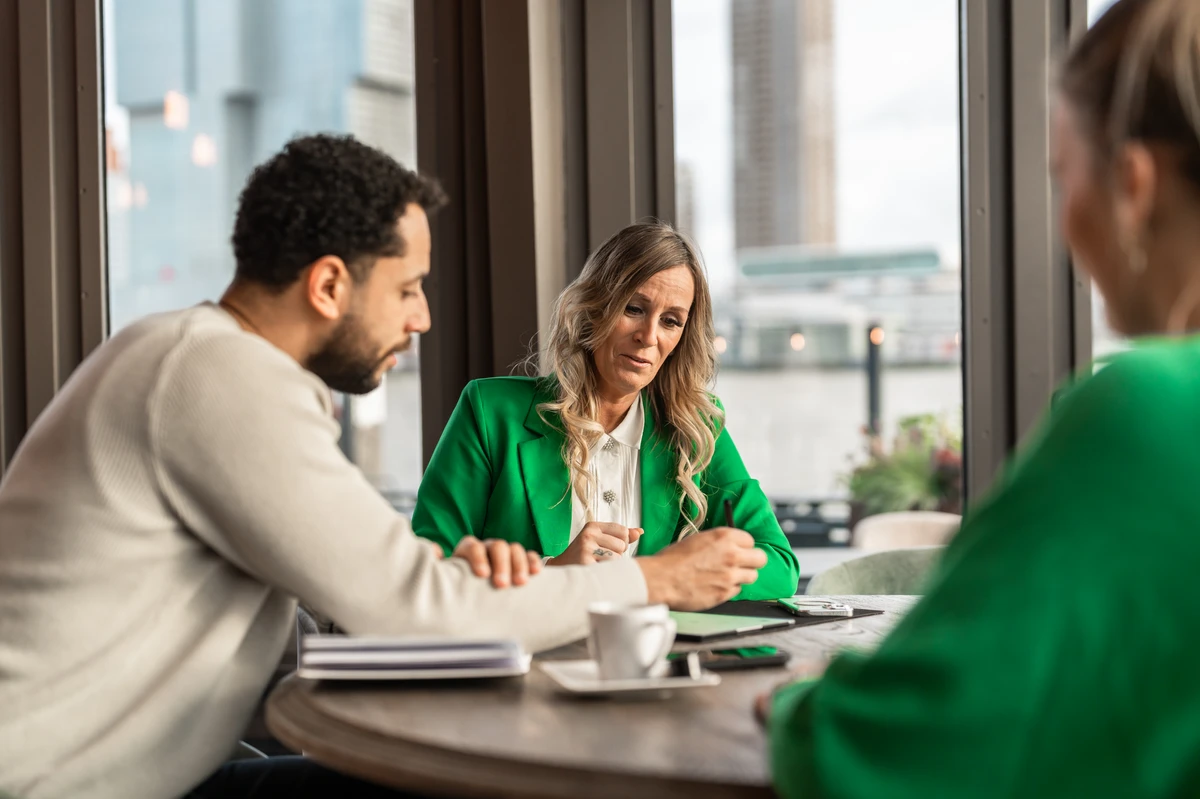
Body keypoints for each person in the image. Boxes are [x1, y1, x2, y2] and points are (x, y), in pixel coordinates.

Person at [0, 134, 769, 799]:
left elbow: (327, 630)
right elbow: (409, 610)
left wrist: (477, 592)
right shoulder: (216, 377)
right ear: (330, 284)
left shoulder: (199, 360)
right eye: (407, 288)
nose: (423, 316)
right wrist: (654, 579)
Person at [763, 0, 1200, 796]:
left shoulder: (1147, 410)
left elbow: (903, 747)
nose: (1065, 218)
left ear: (1133, 184)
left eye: (1063, 176)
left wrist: (802, 707)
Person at [412, 222, 799, 600]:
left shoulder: (696, 425)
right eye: (634, 308)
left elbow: (780, 568)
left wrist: (671, 576)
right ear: (594, 308)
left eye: (670, 321)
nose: (648, 337)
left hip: (656, 662)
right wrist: (553, 576)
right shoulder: (489, 412)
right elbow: (427, 578)